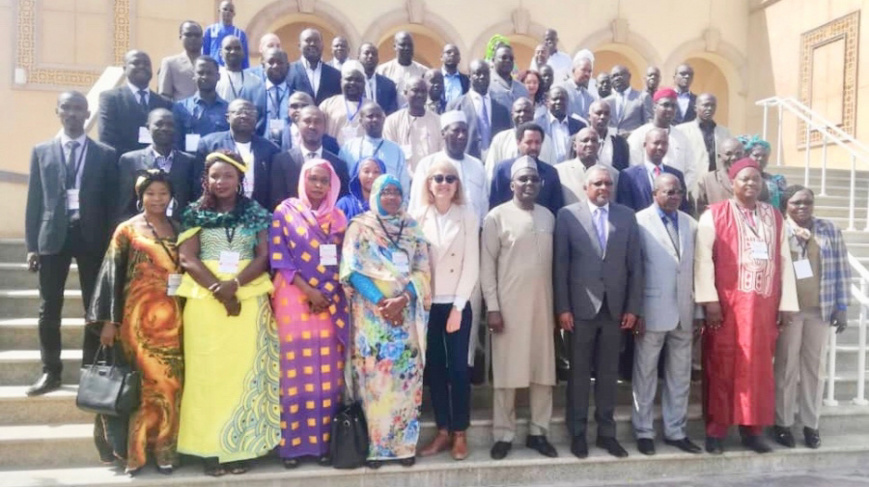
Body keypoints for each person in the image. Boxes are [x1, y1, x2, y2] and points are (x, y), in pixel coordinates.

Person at [176, 150, 279, 476]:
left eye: (228, 176)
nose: (221, 182)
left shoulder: (257, 213)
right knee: (206, 376)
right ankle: (208, 448)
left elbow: (264, 255)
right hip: (205, 302)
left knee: (241, 374)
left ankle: (239, 446)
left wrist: (233, 285)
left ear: (240, 180)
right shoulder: (194, 213)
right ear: (206, 180)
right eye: (215, 176)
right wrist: (219, 291)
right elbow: (187, 259)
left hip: (248, 298)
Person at [694, 158, 798, 455]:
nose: (751, 184)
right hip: (728, 307)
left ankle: (753, 431)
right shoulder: (714, 215)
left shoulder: (774, 216)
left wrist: (787, 303)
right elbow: (703, 261)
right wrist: (710, 301)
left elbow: (785, 261)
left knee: (758, 370)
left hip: (764, 308)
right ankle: (715, 432)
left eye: (755, 179)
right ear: (732, 183)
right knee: (722, 366)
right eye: (744, 179)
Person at [87, 170, 184, 474]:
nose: (157, 199)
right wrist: (108, 322)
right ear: (140, 196)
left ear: (171, 197)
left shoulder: (179, 228)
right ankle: (135, 454)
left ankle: (165, 451)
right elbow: (109, 277)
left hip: (173, 323)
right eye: (151, 193)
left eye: (163, 193)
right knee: (139, 389)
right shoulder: (126, 231)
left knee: (169, 387)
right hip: (135, 323)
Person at [24, 91, 118, 396]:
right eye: (67, 107)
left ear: (87, 113)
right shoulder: (41, 151)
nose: (73, 113)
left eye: (79, 108)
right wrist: (31, 246)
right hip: (53, 237)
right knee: (48, 308)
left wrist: (111, 245)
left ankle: (90, 372)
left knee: (94, 308)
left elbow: (109, 204)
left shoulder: (105, 154)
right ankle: (51, 371)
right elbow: (35, 201)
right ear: (58, 111)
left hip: (92, 237)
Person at [339, 174, 432, 469]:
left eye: (396, 191)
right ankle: (377, 448)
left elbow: (422, 270)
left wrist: (402, 300)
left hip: (405, 320)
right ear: (375, 193)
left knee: (405, 383)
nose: (391, 197)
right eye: (385, 191)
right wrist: (382, 304)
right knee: (375, 383)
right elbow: (351, 270)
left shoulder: (413, 228)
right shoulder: (360, 227)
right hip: (372, 322)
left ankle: (403, 446)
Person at [553, 166, 643, 459]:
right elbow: (561, 267)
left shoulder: (627, 216)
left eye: (608, 183)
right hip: (580, 309)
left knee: (608, 375)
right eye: (597, 183)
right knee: (579, 375)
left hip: (615, 309)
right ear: (585, 186)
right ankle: (577, 433)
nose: (603, 188)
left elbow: (635, 266)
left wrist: (632, 306)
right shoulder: (567, 216)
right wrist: (563, 307)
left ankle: (606, 433)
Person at [270, 159, 349, 468]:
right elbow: (281, 257)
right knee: (295, 375)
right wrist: (310, 292)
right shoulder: (285, 211)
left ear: (331, 185)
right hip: (293, 298)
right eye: (313, 179)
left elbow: (343, 259)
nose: (318, 185)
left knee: (327, 377)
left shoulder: (339, 218)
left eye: (323, 181)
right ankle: (292, 447)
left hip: (330, 300)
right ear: (303, 180)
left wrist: (326, 294)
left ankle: (324, 445)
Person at [482, 158, 558, 460]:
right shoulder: (495, 217)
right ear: (512, 184)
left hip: (543, 306)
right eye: (523, 179)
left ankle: (539, 432)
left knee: (544, 372)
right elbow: (487, 266)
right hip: (508, 308)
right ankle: (504, 434)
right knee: (506, 373)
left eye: (534, 180)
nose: (529, 184)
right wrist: (493, 307)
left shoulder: (549, 216)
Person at [411, 159, 479, 461]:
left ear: (457, 184)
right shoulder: (417, 216)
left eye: (450, 178)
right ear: (428, 183)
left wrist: (458, 307)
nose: (444, 183)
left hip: (456, 304)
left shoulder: (467, 214)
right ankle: (442, 430)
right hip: (427, 305)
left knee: (459, 370)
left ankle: (460, 432)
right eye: (437, 178)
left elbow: (471, 264)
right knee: (435, 369)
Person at [632, 173, 703, 456]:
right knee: (645, 373)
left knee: (680, 376)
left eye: (678, 192)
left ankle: (676, 431)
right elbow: (634, 270)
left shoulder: (691, 224)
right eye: (668, 191)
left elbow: (696, 272)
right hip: (651, 311)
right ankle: (644, 431)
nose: (674, 196)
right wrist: (636, 311)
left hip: (684, 312)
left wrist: (697, 311)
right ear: (654, 193)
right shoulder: (638, 222)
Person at [774, 185, 850, 450]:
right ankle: (782, 423)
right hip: (789, 312)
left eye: (808, 202)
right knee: (785, 367)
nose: (803, 207)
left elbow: (842, 269)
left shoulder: (829, 229)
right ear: (786, 205)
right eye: (796, 203)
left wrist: (842, 306)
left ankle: (810, 424)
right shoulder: (777, 230)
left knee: (814, 369)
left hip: (820, 310)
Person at [195, 98, 280, 211]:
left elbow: (274, 189)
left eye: (249, 113)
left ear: (256, 119)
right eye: (238, 112)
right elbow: (199, 183)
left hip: (259, 215)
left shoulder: (270, 149)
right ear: (227, 118)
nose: (244, 116)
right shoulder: (208, 144)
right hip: (217, 214)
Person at [410, 111, 489, 226]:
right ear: (443, 134)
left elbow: (483, 204)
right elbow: (416, 206)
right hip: (435, 236)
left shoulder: (477, 165)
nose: (461, 136)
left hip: (471, 235)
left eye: (464, 131)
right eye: (456, 131)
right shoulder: (427, 164)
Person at [116, 109, 195, 222]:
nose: (165, 128)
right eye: (159, 124)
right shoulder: (130, 161)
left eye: (170, 125)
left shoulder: (189, 162)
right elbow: (124, 205)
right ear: (148, 127)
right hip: (143, 231)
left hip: (179, 231)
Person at [270, 105, 349, 209]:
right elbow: (277, 200)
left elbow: (340, 201)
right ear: (298, 124)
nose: (312, 126)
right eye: (307, 121)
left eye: (317, 122)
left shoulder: (338, 165)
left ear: (325, 127)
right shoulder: (281, 161)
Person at [99, 50, 173, 157]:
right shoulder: (110, 98)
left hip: (157, 166)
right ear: (124, 69)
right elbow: (107, 138)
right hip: (123, 165)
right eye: (136, 63)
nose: (142, 66)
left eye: (146, 64)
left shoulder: (164, 102)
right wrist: (133, 160)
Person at [627, 88, 696, 193]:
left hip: (674, 197)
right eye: (666, 105)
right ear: (654, 106)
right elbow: (634, 167)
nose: (670, 109)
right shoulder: (638, 135)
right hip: (645, 194)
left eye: (673, 106)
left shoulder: (682, 137)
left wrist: (677, 190)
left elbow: (691, 170)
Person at [490, 125, 564, 216]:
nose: (533, 147)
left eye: (537, 142)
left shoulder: (550, 173)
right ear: (518, 143)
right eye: (528, 142)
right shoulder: (503, 169)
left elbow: (556, 209)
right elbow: (494, 204)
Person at [339, 102, 410, 195]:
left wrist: (402, 206)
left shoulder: (396, 150)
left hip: (387, 205)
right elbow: (340, 180)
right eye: (370, 116)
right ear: (361, 121)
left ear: (384, 120)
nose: (375, 119)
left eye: (378, 116)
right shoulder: (348, 148)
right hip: (355, 205)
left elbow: (403, 184)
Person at [446, 59, 512, 160]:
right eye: (477, 73)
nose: (482, 77)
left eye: (485, 73)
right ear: (470, 76)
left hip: (496, 163)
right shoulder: (455, 106)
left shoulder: (502, 109)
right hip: (466, 162)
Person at [617, 128, 690, 213]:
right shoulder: (628, 176)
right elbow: (625, 208)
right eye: (656, 143)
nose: (660, 147)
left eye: (664, 143)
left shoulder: (676, 175)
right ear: (645, 145)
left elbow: (683, 207)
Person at [382, 77, 443, 174]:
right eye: (415, 90)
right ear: (405, 93)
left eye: (423, 92)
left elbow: (442, 155)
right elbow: (390, 154)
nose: (420, 95)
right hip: (402, 179)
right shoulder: (392, 121)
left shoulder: (439, 121)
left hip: (432, 179)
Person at [674, 93, 731, 195]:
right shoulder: (682, 131)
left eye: (712, 105)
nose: (709, 108)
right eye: (705, 105)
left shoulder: (724, 132)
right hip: (692, 186)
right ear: (696, 108)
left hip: (717, 186)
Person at [695, 139, 770, 215]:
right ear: (719, 157)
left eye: (738, 154)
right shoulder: (707, 181)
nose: (734, 157)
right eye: (728, 154)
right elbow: (699, 212)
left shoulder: (756, 181)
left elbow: (764, 209)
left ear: (744, 155)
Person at [172, 56, 230, 152]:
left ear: (218, 76)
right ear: (194, 76)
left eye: (209, 73)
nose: (205, 77)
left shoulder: (228, 109)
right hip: (190, 163)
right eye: (200, 73)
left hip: (218, 162)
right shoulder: (180, 108)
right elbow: (176, 142)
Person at [485, 97, 557, 172]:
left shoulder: (545, 140)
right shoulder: (500, 139)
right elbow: (490, 170)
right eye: (519, 111)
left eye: (527, 111)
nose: (522, 114)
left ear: (533, 113)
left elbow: (552, 169)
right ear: (512, 115)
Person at [555, 127, 619, 205]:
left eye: (594, 140)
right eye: (585, 140)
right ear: (575, 146)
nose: (590, 144)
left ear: (599, 146)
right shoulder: (559, 172)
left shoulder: (613, 174)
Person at [287, 28, 342, 105]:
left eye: (316, 40)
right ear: (299, 45)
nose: (312, 44)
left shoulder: (336, 75)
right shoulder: (288, 72)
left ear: (322, 45)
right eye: (308, 40)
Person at [215, 35, 266, 117]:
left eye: (237, 48)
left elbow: (259, 110)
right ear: (220, 53)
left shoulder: (255, 81)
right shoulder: (215, 78)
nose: (233, 51)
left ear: (243, 53)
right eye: (228, 48)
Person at [319, 62, 367, 146]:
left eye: (358, 80)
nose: (353, 83)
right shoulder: (328, 104)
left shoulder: (372, 107)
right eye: (349, 79)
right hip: (333, 154)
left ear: (364, 84)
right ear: (341, 82)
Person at [535, 86, 586, 163]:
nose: (559, 102)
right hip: (547, 169)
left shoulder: (580, 126)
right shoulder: (537, 125)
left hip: (571, 170)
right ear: (547, 102)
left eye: (562, 99)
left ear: (567, 102)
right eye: (555, 99)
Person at [377, 31, 428, 107]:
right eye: (403, 45)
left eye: (409, 45)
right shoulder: (383, 70)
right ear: (395, 46)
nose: (407, 48)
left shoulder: (423, 71)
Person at [158, 20, 203, 101]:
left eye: (197, 35)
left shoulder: (210, 63)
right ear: (180, 37)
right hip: (180, 112)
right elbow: (165, 96)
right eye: (188, 35)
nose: (193, 38)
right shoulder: (170, 63)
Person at [604, 65, 652, 136]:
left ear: (629, 76)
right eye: (613, 76)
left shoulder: (642, 97)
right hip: (612, 143)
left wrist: (632, 134)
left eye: (619, 75)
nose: (616, 79)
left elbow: (649, 125)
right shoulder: (606, 101)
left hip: (634, 142)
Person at [742, 135, 787, 209]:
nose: (760, 158)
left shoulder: (777, 181)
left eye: (764, 156)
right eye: (756, 155)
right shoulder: (741, 180)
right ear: (747, 156)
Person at [202, 1, 250, 69]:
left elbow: (244, 57)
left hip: (234, 70)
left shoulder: (239, 33)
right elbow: (204, 53)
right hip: (214, 70)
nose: (227, 12)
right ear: (219, 11)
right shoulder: (210, 30)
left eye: (231, 10)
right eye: (225, 9)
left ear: (234, 14)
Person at [336, 157, 386, 221]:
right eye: (366, 171)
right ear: (358, 175)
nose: (371, 176)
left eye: (376, 172)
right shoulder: (345, 204)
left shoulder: (387, 205)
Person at [258, 48, 291, 144]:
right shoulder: (252, 93)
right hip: (260, 147)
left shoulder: (297, 95)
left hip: (289, 149)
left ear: (288, 67)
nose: (276, 66)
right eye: (271, 62)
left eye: (280, 63)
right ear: (263, 66)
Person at [587, 100, 631, 170]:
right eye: (598, 113)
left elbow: (625, 169)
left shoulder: (620, 142)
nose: (602, 117)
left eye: (606, 114)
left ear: (610, 118)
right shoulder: (578, 140)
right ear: (589, 117)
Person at [358, 43, 399, 115]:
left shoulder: (388, 85)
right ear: (358, 57)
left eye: (374, 54)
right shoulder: (352, 84)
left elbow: (392, 111)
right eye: (366, 53)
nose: (370, 56)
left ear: (378, 59)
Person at [489, 45, 530, 109]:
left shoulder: (522, 89)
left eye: (511, 58)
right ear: (493, 60)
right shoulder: (486, 85)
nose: (508, 60)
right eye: (504, 57)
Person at [560, 56, 595, 121]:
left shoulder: (590, 97)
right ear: (573, 71)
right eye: (583, 70)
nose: (587, 74)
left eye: (589, 71)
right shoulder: (561, 89)